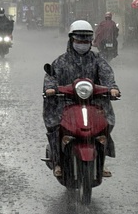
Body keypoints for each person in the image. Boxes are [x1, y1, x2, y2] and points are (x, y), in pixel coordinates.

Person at [43, 20, 121, 178]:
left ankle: (101, 158)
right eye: (79, 40)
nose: (83, 43)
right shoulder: (61, 61)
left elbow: (107, 76)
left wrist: (112, 88)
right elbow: (51, 77)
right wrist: (51, 89)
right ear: (72, 40)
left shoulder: (97, 60)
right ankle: (57, 160)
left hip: (93, 101)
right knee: (54, 124)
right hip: (66, 102)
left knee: (105, 122)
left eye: (86, 40)